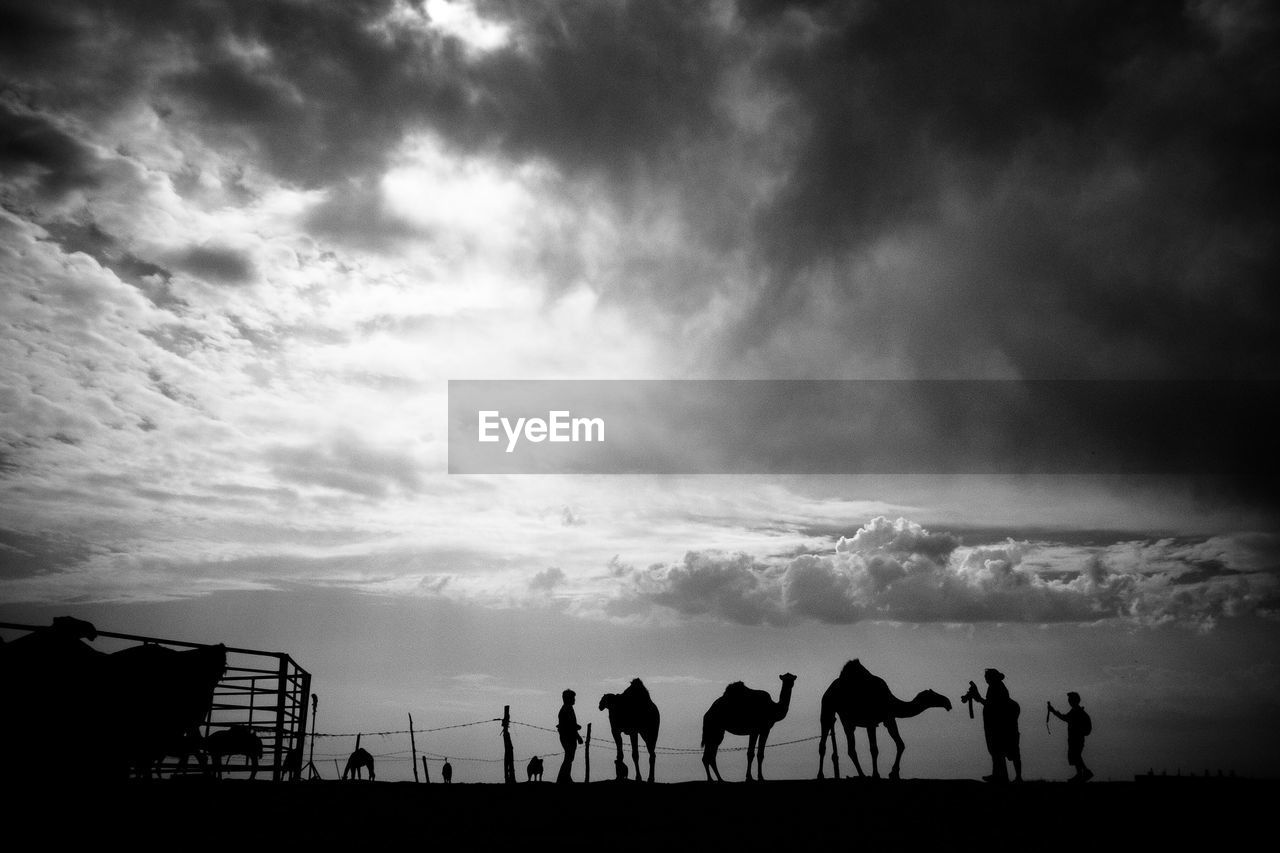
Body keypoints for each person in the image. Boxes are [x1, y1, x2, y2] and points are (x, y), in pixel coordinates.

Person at [964, 668, 1022, 783]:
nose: (986, 679)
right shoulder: (995, 686)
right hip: (1002, 724)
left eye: (987, 677)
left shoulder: (996, 687)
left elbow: (992, 705)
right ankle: (1000, 775)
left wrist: (979, 698)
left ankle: (1010, 777)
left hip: (1002, 725)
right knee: (999, 751)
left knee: (1003, 751)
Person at [1048, 692, 1093, 782]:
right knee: (1076, 756)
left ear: (1074, 701)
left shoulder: (1076, 712)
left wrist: (1053, 711)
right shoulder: (1076, 711)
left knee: (1076, 756)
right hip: (1076, 738)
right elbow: (1066, 718)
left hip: (1076, 738)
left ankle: (1084, 773)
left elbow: (1064, 718)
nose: (1069, 701)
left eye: (1070, 699)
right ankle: (1081, 774)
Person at [556, 689, 583, 783]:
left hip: (567, 735)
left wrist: (576, 727)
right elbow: (570, 725)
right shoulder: (567, 709)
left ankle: (566, 777)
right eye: (573, 698)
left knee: (569, 757)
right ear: (568, 698)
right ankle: (562, 778)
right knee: (569, 757)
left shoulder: (567, 708)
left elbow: (570, 724)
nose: (574, 700)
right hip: (568, 736)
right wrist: (578, 736)